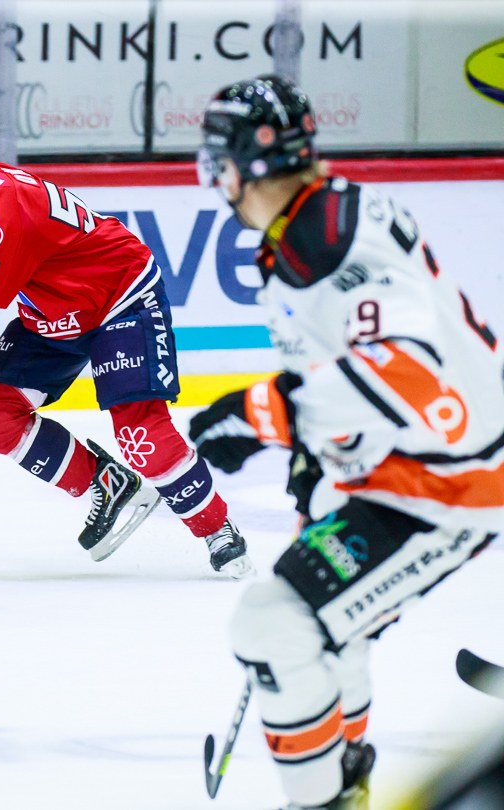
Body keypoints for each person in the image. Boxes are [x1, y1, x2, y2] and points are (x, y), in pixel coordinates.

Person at [189, 74, 503, 809]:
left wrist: (261, 413)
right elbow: (351, 369)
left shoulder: (323, 236)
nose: (215, 177)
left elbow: (409, 370)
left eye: (219, 159)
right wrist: (316, 456)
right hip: (410, 467)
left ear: (246, 162)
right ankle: (344, 781)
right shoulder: (317, 220)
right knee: (329, 635)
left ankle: (324, 798)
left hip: (448, 483)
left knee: (274, 624)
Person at [0, 122, 251, 577]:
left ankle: (217, 529)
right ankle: (105, 483)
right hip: (53, 314)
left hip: (118, 300)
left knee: (142, 436)